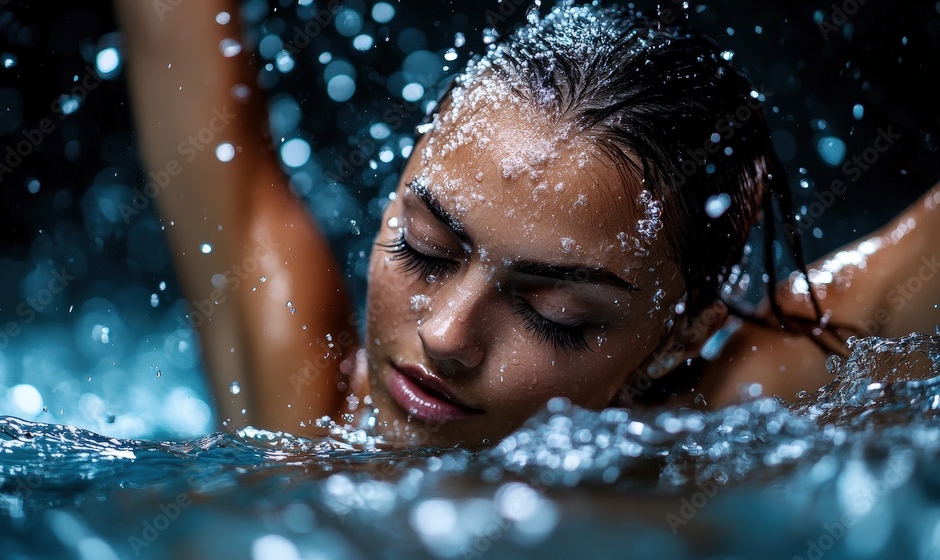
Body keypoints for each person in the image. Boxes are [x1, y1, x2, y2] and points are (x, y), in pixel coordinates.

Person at [115, 1, 940, 446]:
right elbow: (170, 32)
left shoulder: (694, 460)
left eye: (558, 316)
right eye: (424, 248)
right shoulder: (294, 404)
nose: (445, 336)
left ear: (680, 338)